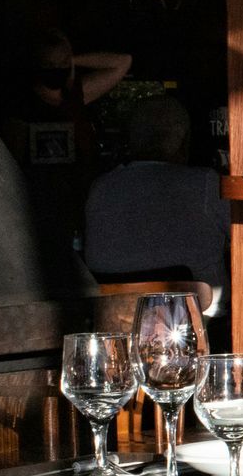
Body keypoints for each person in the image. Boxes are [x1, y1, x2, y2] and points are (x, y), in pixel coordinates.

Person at [84, 96, 230, 315]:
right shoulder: (206, 183)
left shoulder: (101, 187)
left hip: (117, 321)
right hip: (199, 326)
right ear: (184, 140)